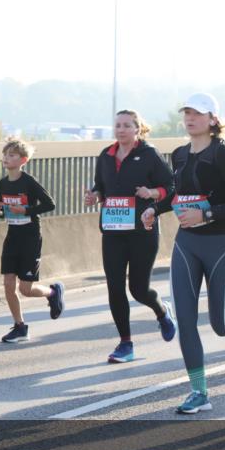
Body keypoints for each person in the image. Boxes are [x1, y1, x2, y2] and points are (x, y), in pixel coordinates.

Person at [142, 93, 225, 414]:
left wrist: (205, 215)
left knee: (221, 324)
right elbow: (178, 195)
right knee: (186, 320)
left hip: (220, 244)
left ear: (212, 119)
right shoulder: (179, 154)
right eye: (187, 113)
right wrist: (155, 209)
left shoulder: (222, 154)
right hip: (186, 245)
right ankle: (199, 391)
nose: (190, 118)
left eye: (197, 113)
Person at [84, 110, 176, 363]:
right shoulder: (106, 155)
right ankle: (126, 343)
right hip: (113, 232)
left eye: (127, 125)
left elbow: (171, 187)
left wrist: (151, 192)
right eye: (118, 125)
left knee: (138, 289)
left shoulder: (148, 155)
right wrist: (94, 195)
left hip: (142, 232)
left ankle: (161, 311)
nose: (121, 129)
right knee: (114, 287)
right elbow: (101, 186)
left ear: (137, 129)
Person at [0, 138, 65, 343]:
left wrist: (26, 210)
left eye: (12, 155)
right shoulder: (3, 183)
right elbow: (3, 210)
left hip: (31, 236)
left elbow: (50, 204)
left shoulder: (28, 181)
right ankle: (20, 326)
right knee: (7, 283)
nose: (6, 158)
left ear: (23, 160)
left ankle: (52, 292)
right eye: (5, 154)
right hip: (12, 235)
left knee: (26, 289)